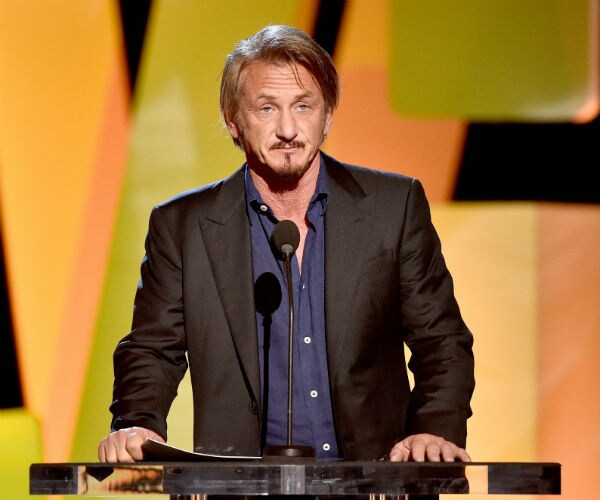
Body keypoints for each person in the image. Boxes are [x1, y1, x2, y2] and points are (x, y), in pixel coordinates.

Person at [98, 24, 474, 464]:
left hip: (373, 481)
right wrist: (136, 423)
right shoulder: (183, 226)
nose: (288, 129)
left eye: (303, 105)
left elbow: (441, 340)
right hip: (242, 488)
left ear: (327, 116)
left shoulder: (393, 207)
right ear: (233, 122)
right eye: (266, 108)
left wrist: (434, 430)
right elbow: (151, 349)